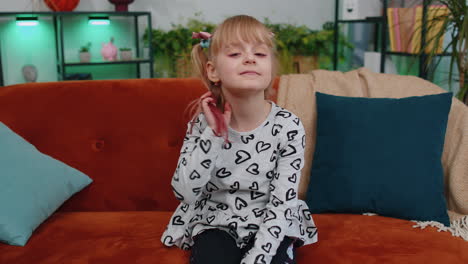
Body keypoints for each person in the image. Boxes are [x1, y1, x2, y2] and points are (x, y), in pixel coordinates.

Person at [161, 15, 318, 264]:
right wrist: (213, 136)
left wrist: (258, 256)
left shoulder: (288, 127)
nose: (249, 58)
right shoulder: (201, 125)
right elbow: (184, 193)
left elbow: (281, 202)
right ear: (213, 70)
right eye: (235, 54)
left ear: (271, 69)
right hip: (216, 221)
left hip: (272, 219)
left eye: (260, 53)